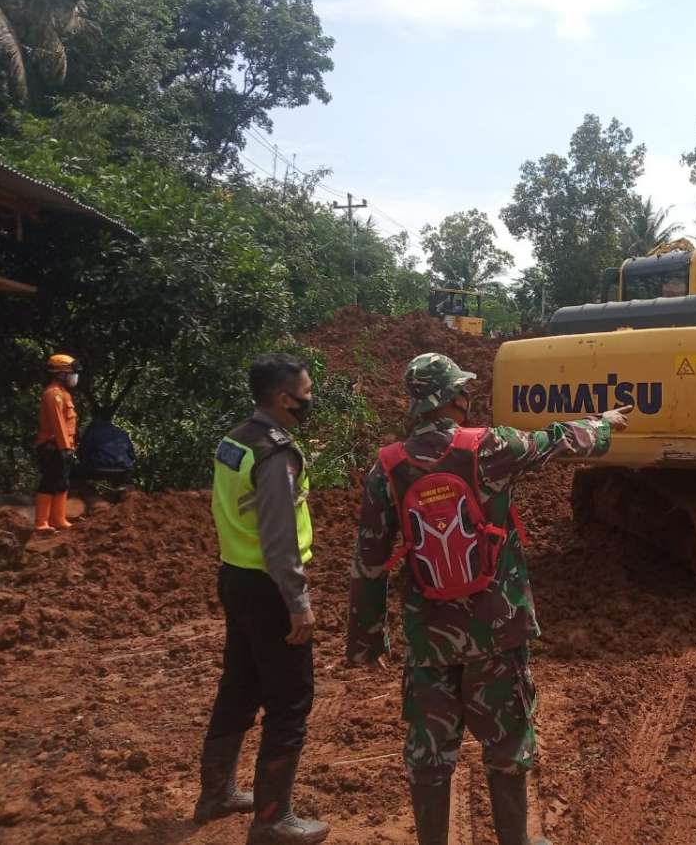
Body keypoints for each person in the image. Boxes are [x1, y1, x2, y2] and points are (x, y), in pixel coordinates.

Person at [347, 353, 629, 845]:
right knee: (506, 745)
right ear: (456, 397)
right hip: (497, 630)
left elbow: (369, 563)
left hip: (429, 636)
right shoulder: (491, 447)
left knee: (430, 754)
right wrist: (602, 425)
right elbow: (556, 439)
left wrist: (367, 641)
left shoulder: (387, 468)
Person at [196, 353, 329, 845]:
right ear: (282, 398)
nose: (311, 399)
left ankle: (217, 794)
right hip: (270, 588)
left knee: (240, 683)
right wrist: (298, 601)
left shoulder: (234, 440)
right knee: (291, 700)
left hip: (235, 575)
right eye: (307, 392)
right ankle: (272, 819)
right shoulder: (275, 454)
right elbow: (279, 538)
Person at [33, 354, 80, 533]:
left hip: (62, 446)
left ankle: (58, 519)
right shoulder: (53, 394)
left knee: (62, 481)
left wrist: (69, 447)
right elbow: (57, 423)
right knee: (49, 481)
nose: (74, 377)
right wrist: (64, 448)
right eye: (72, 373)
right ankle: (41, 523)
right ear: (61, 374)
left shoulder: (64, 393)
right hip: (53, 446)